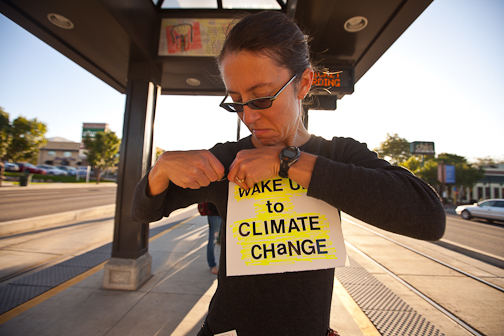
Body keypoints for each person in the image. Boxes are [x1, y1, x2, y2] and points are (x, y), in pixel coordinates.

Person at [131, 11, 445, 336]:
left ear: (303, 84)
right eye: (236, 102)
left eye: (262, 97)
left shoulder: (338, 155)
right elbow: (143, 212)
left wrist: (287, 161)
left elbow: (429, 217)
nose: (249, 117)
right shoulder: (227, 158)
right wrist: (161, 169)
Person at [198, 202, 222, 274]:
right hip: (215, 213)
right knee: (212, 240)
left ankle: (222, 264)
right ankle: (212, 265)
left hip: (225, 211)